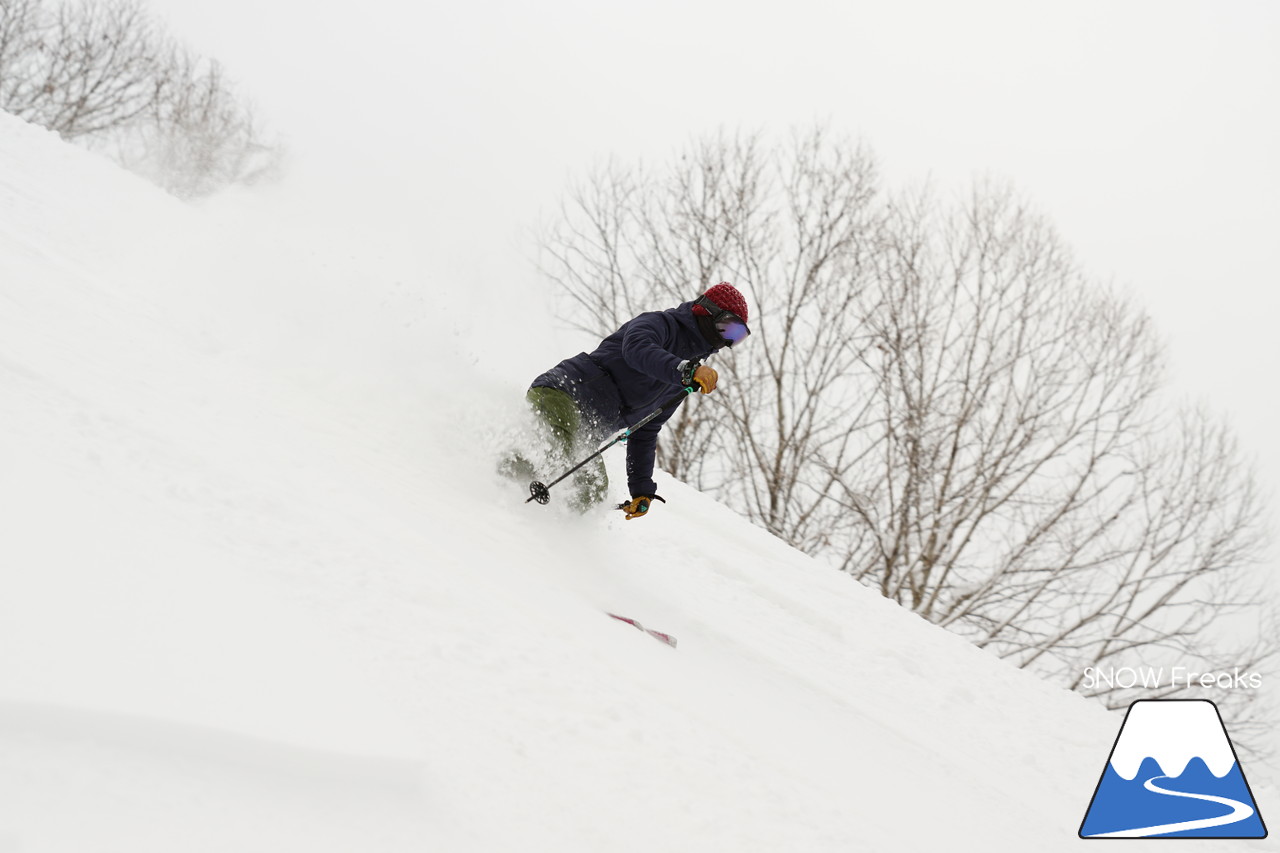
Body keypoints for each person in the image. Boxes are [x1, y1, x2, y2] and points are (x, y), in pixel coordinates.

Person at [511, 282, 751, 519]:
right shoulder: (661, 325)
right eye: (728, 329)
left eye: (737, 336)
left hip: (584, 433)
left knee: (591, 492)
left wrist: (641, 488)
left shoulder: (683, 377)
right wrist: (685, 370)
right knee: (556, 457)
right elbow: (636, 349)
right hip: (561, 393)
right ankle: (493, 493)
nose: (728, 341)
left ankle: (544, 538)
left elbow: (647, 427)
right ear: (707, 313)